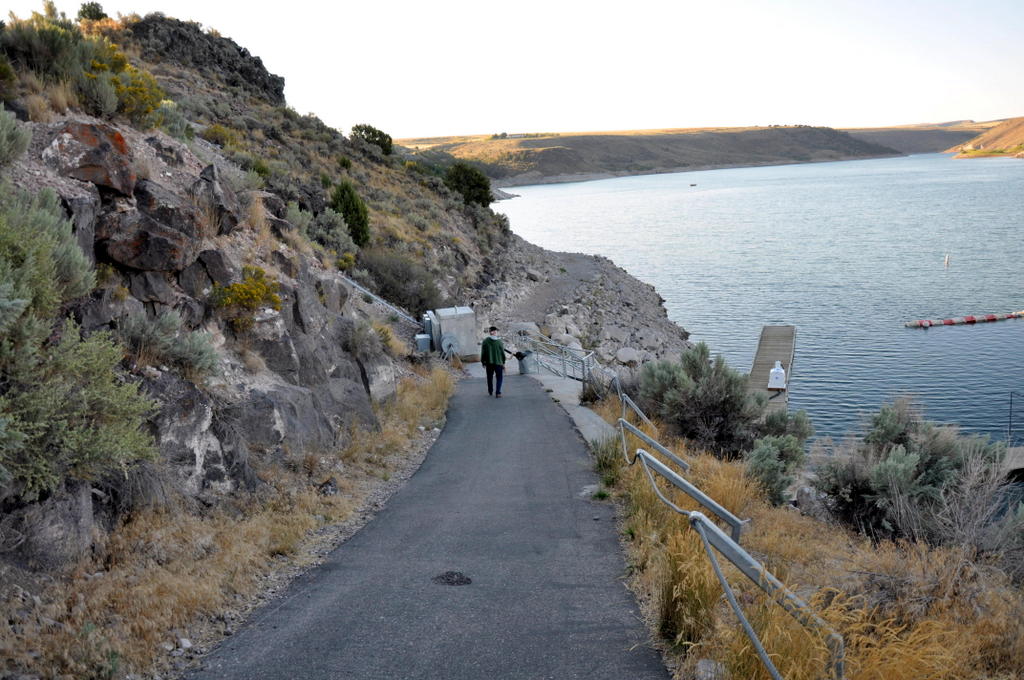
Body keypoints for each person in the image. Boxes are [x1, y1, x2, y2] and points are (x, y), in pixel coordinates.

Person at [480, 326, 506, 397]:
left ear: (490, 332)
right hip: (498, 363)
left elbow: (483, 353)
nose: (496, 332)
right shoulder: (499, 342)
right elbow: (502, 354)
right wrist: (503, 362)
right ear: (494, 332)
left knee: (489, 377)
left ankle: (490, 391)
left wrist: (483, 362)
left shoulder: (485, 341)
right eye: (495, 331)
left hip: (489, 363)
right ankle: (498, 392)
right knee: (499, 378)